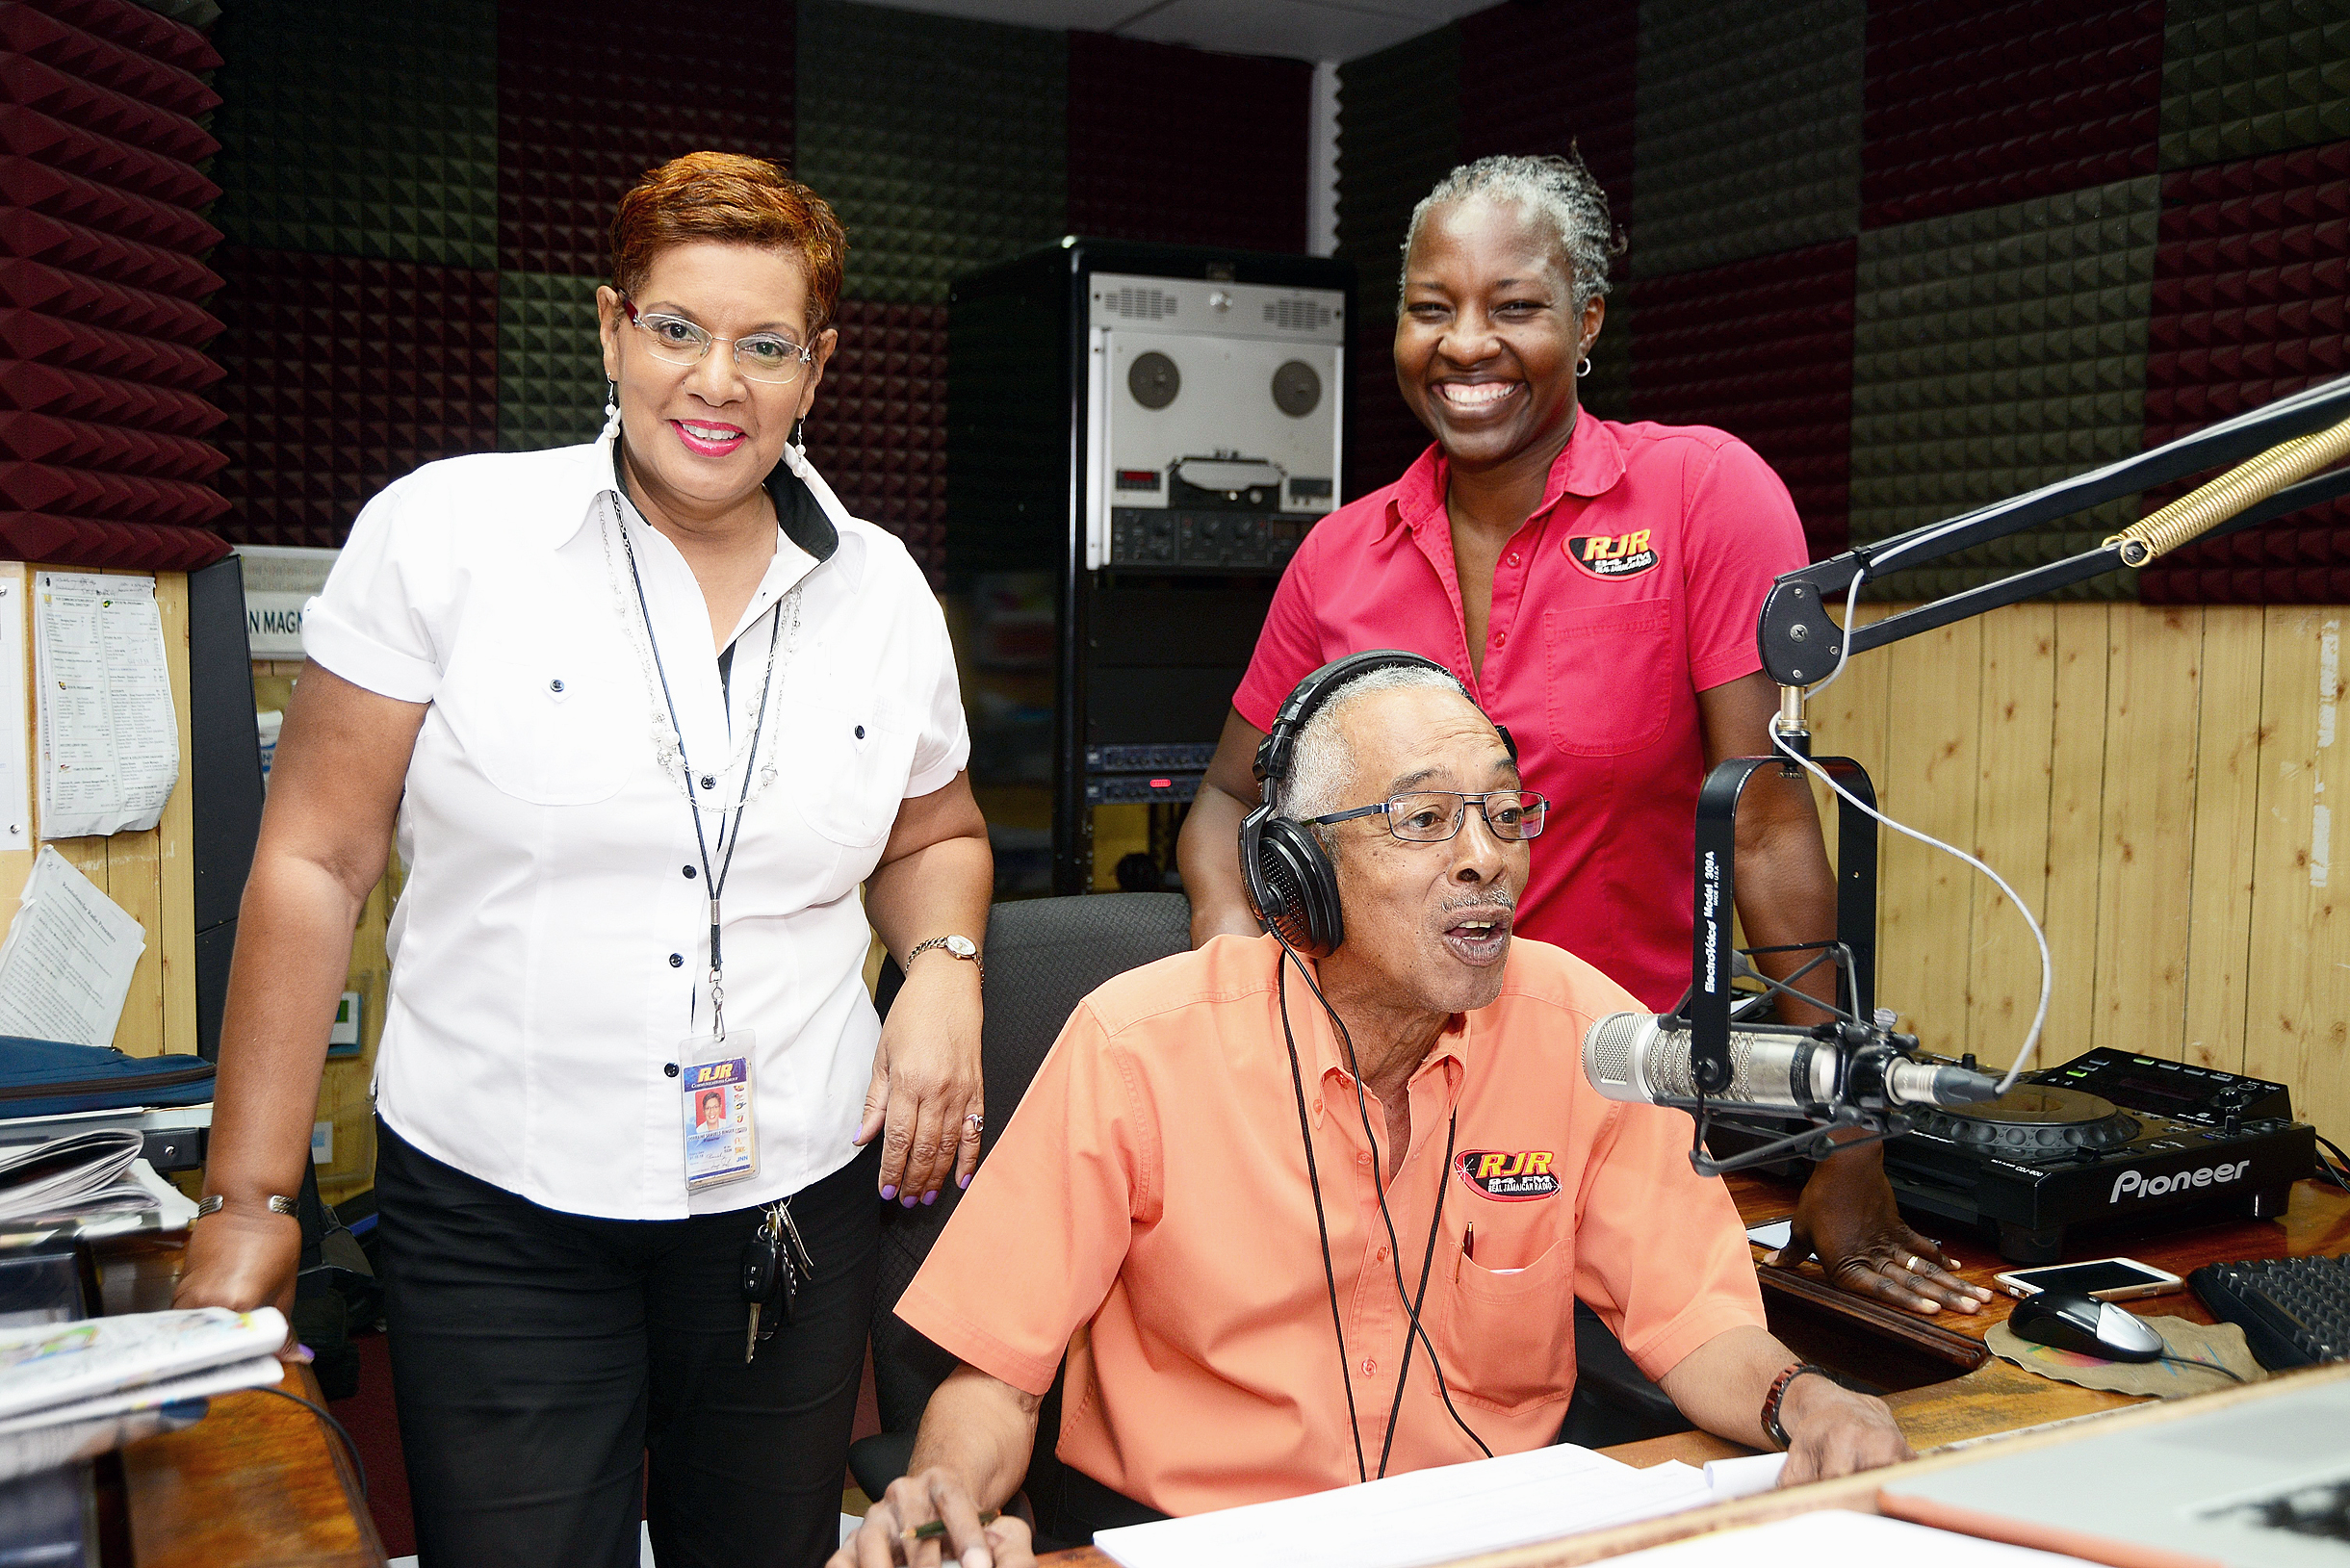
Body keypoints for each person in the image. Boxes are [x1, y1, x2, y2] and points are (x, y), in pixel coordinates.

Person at [174, 152, 994, 1568]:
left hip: (788, 1199)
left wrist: (943, 965)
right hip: (499, 1200)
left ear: (817, 367)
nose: (715, 382)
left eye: (765, 346)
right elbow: (313, 859)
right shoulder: (445, 536)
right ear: (612, 329)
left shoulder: (885, 596)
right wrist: (248, 1199)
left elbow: (937, 833)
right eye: (676, 329)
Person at [836, 659, 1912, 1568]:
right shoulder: (1135, 1048)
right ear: (1296, 865)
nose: (1484, 856)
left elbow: (1696, 1325)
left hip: (1490, 1537)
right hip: (1190, 1541)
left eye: (1504, 813)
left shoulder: (1588, 1035)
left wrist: (1804, 1398)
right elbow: (996, 1382)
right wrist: (941, 1498)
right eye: (1423, 819)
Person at [1175, 152, 1992, 1322]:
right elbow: (1225, 802)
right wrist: (1232, 971)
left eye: (1513, 306)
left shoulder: (1701, 495)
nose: (1464, 345)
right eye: (1430, 308)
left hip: (1606, 1108)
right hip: (1358, 1109)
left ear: (1587, 319)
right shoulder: (1337, 556)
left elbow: (1763, 829)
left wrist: (1844, 1134)